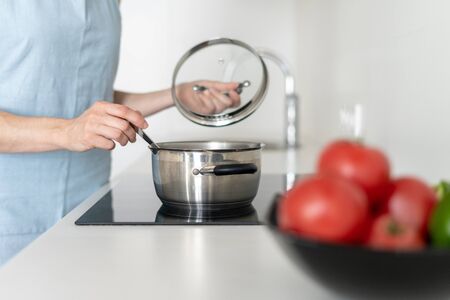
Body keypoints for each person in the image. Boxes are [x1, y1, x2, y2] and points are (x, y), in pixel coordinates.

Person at [0, 0, 241, 265]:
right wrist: (68, 131)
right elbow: (76, 123)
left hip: (87, 207)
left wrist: (176, 95)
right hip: (11, 215)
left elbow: (86, 97)